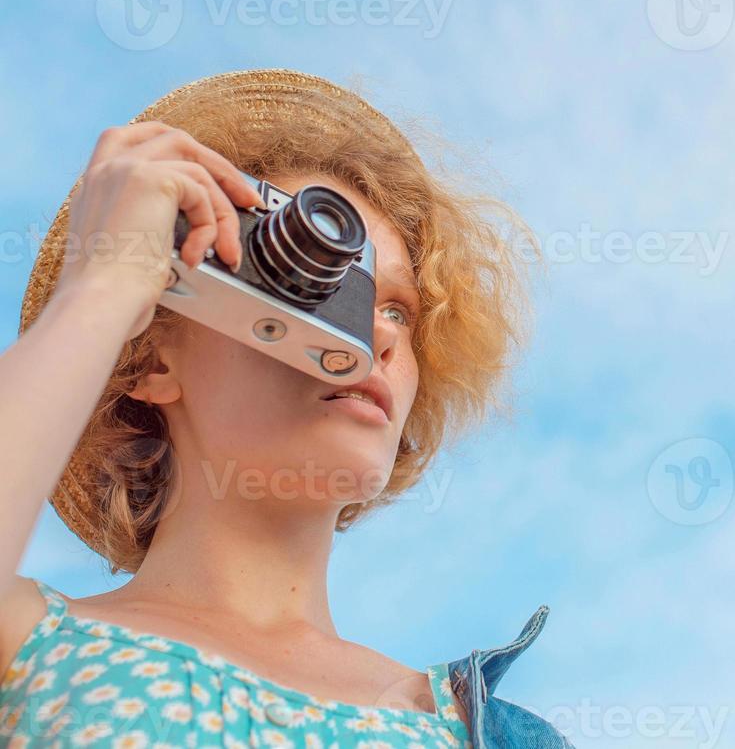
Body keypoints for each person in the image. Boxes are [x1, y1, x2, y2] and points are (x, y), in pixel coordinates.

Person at [0, 69, 570, 748]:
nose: (377, 336)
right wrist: (107, 278)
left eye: (397, 310)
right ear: (153, 358)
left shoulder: (482, 732)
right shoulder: (32, 644)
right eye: (322, 289)